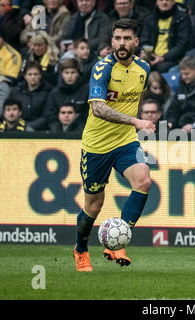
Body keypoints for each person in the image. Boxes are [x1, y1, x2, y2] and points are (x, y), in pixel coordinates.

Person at [73, 18, 155, 272]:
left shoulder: (144, 69)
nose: (122, 43)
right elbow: (97, 108)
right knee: (93, 206)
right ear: (112, 41)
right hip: (96, 146)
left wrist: (132, 124)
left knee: (143, 180)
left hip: (125, 141)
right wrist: (135, 120)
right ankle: (80, 250)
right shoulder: (102, 68)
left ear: (136, 42)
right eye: (117, 38)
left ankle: (115, 241)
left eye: (127, 38)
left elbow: (133, 99)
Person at [139, 0, 192, 72]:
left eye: (167, 0)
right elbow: (144, 39)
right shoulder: (150, 18)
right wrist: (146, 53)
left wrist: (163, 58)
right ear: (156, 2)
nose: (164, 2)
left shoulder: (182, 19)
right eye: (161, 0)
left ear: (173, 2)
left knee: (161, 68)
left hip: (173, 59)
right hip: (152, 56)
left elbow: (182, 44)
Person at [45, 58, 89, 130]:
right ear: (61, 74)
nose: (69, 76)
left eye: (72, 72)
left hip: (82, 132)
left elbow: (87, 114)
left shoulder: (87, 91)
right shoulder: (54, 93)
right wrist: (57, 130)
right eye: (66, 72)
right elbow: (50, 115)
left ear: (78, 73)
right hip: (58, 133)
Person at [10, 61, 53, 130]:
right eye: (30, 74)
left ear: (40, 75)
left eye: (35, 74)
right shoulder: (16, 91)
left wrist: (26, 126)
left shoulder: (48, 91)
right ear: (25, 76)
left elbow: (46, 116)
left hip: (40, 130)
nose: (33, 77)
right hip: (17, 127)